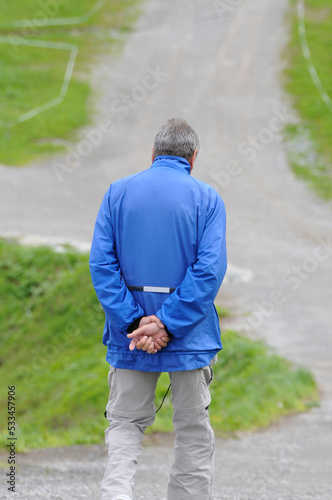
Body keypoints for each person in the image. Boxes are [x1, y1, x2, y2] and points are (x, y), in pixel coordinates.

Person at [89, 117, 227, 500]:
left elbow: (102, 264)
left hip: (129, 337)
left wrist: (135, 321)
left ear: (153, 154)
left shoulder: (117, 192)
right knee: (192, 430)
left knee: (125, 424)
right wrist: (166, 323)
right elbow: (209, 270)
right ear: (193, 157)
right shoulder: (208, 199)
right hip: (191, 337)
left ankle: (116, 495)